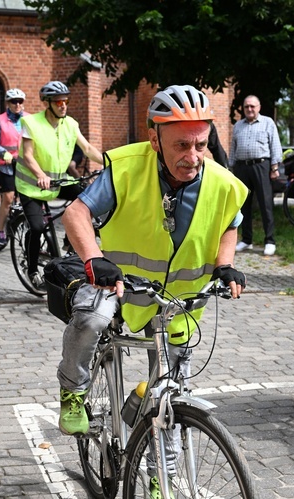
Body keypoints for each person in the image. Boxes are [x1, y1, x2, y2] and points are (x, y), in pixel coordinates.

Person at [56, 83, 247, 436]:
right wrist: (94, 258)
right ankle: (73, 390)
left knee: (171, 397)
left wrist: (225, 263)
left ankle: (163, 482)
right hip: (116, 284)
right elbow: (75, 214)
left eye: (201, 145)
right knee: (90, 319)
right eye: (181, 145)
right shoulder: (126, 168)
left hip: (176, 301)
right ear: (155, 139)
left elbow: (229, 223)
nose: (192, 156)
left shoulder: (222, 182)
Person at [16, 81, 103, 285]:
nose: (63, 105)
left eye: (66, 101)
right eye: (58, 102)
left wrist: (111, 162)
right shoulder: (32, 123)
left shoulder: (70, 124)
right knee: (37, 227)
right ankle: (31, 270)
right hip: (31, 185)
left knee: (88, 199)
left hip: (57, 181)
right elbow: (28, 156)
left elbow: (88, 148)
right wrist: (40, 174)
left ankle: (69, 240)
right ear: (48, 103)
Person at [229, 95, 283, 257]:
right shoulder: (238, 125)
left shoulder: (267, 123)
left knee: (265, 203)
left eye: (252, 106)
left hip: (262, 166)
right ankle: (246, 239)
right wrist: (231, 168)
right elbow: (233, 148)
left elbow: (275, 145)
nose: (250, 109)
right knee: (243, 204)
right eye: (247, 107)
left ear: (259, 107)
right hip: (241, 167)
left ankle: (269, 241)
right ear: (243, 109)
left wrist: (274, 167)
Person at [0, 88, 29, 243]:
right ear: (8, 103)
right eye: (14, 101)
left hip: (25, 164)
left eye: (20, 101)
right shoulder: (1, 119)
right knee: (8, 197)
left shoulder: (29, 119)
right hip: (7, 164)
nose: (17, 104)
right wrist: (3, 153)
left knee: (30, 195)